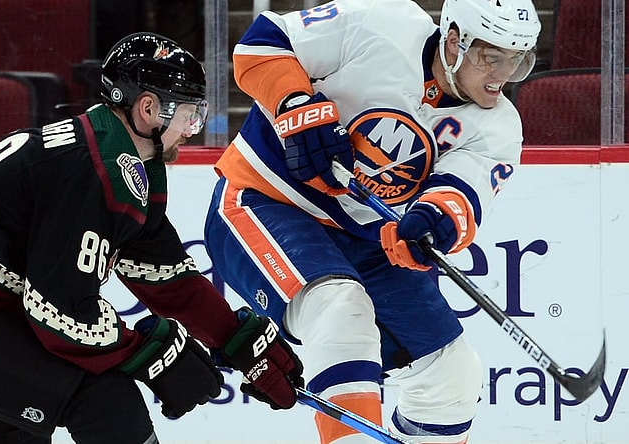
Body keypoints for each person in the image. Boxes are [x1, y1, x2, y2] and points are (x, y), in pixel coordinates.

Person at [0, 32, 303, 444]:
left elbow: (166, 278)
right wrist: (148, 353)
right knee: (100, 397)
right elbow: (59, 312)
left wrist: (238, 342)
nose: (193, 128)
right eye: (191, 113)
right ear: (149, 109)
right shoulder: (93, 170)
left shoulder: (120, 158)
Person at [204, 0, 540, 443]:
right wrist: (296, 107)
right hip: (265, 200)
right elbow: (261, 43)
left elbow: (462, 195)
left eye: (516, 59)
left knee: (453, 373)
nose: (502, 73)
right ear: (455, 39)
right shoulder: (381, 23)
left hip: (365, 239)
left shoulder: (498, 127)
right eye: (491, 56)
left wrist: (431, 222)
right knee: (342, 307)